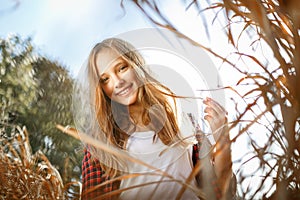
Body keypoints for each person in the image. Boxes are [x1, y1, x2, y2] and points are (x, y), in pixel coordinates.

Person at [74, 38, 234, 199]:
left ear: (136, 65)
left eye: (122, 68)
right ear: (101, 89)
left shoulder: (184, 121)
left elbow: (220, 191)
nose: (118, 82)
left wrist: (223, 140)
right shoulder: (99, 144)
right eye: (105, 79)